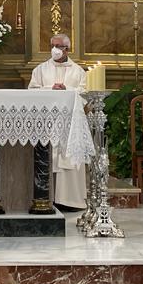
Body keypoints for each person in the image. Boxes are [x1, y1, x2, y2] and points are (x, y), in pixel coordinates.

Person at [28, 34, 88, 210]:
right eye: (52, 45)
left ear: (66, 49)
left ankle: (69, 201)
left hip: (70, 124)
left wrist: (67, 89)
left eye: (58, 46)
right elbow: (32, 91)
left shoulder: (78, 71)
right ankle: (46, 199)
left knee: (69, 160)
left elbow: (84, 93)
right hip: (47, 124)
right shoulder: (40, 69)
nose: (54, 49)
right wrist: (51, 89)